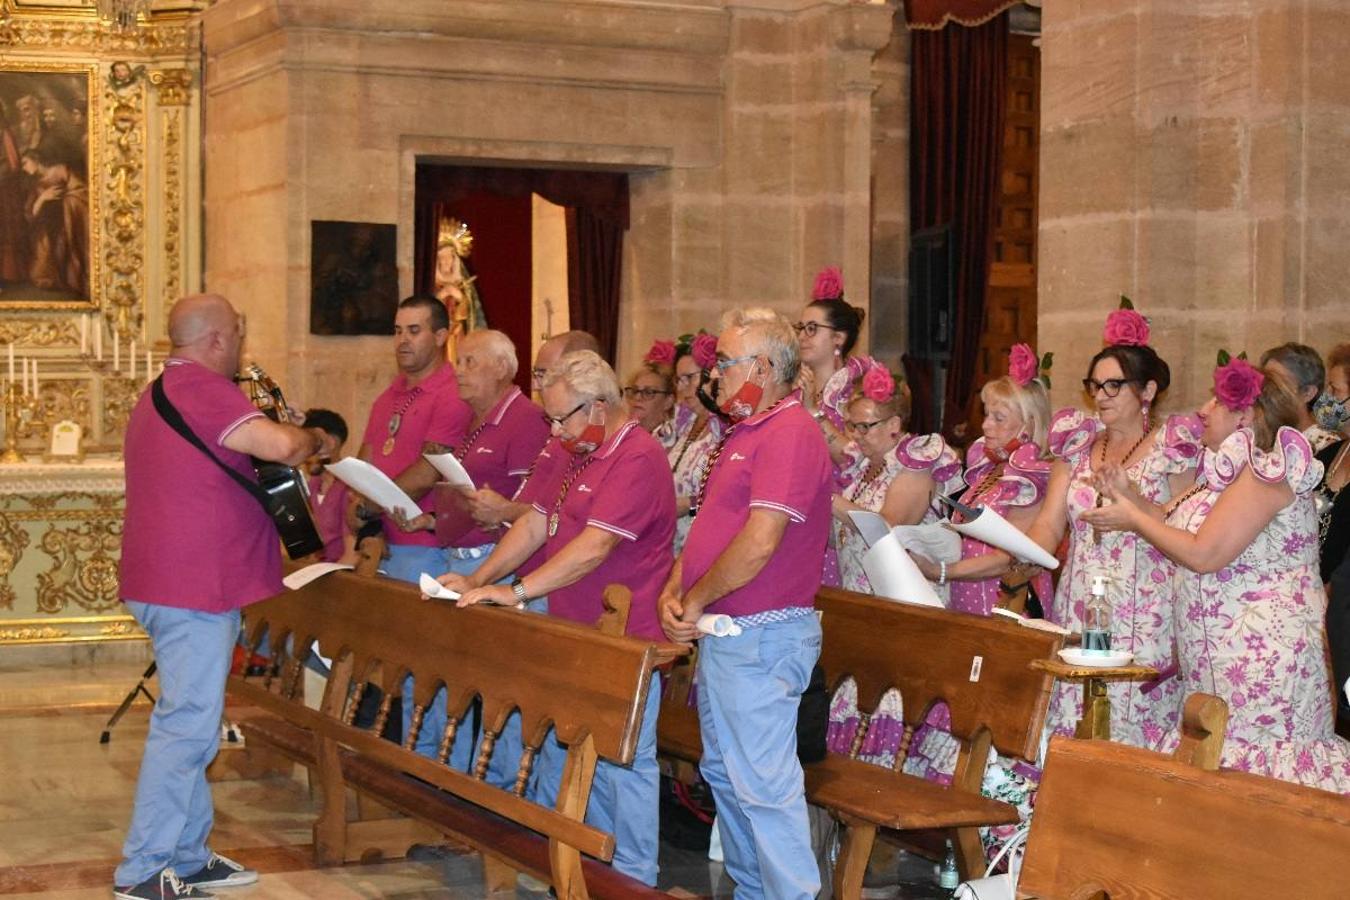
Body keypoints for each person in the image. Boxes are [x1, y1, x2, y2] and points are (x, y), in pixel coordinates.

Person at [114, 294, 336, 900]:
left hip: (176, 581)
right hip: (194, 586)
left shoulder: (162, 391)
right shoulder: (205, 390)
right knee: (186, 729)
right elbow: (283, 448)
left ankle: (186, 856)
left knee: (197, 726)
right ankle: (143, 870)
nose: (241, 346)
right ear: (215, 339)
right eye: (237, 333)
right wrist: (315, 434)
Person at [436, 350, 674, 886]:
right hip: (573, 627)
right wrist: (478, 581)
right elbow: (535, 524)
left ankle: (634, 881)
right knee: (572, 750)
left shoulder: (636, 456)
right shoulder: (571, 446)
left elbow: (593, 548)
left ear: (598, 407)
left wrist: (516, 591)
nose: (555, 429)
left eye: (562, 417)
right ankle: (577, 868)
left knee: (624, 761)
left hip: (625, 636)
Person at [1084, 359, 1350, 793]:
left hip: (1263, 661)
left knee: (1261, 777)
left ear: (1246, 416)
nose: (1203, 410)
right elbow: (1176, 527)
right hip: (1219, 660)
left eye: (1217, 403)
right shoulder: (1224, 474)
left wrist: (1132, 518)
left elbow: (1205, 554)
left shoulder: (1268, 472)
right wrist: (1127, 495)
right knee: (1219, 765)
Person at [661, 307, 832, 900]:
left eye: (725, 366)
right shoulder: (745, 431)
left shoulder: (789, 431)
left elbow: (759, 544)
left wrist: (697, 597)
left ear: (762, 366)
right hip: (728, 631)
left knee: (762, 785)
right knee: (727, 778)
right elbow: (711, 523)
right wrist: (677, 590)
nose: (715, 379)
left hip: (763, 634)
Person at [1023, 305, 1201, 749]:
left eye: (1113, 385)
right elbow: (1049, 526)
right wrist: (1013, 550)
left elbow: (1188, 526)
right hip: (1083, 602)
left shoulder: (1171, 447)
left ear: (1148, 389)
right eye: (1095, 385)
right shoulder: (1079, 446)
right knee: (1077, 719)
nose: (1100, 395)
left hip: (1148, 609)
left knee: (1132, 724)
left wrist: (1135, 509)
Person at [395, 329, 549, 779]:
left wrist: (500, 513)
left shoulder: (524, 421)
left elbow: (532, 507)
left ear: (502, 367)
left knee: (498, 688)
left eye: (468, 362)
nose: (457, 371)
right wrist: (431, 521)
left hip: (495, 566)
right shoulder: (473, 420)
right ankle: (445, 782)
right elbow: (473, 497)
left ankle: (498, 795)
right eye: (457, 362)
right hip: (458, 558)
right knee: (453, 678)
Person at [913, 346, 1054, 617]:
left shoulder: (1032, 476)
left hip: (1006, 602)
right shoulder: (989, 467)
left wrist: (941, 571)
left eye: (998, 418)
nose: (986, 425)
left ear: (1030, 425)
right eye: (987, 414)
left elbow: (1008, 558)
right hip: (971, 598)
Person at [350, 295, 471, 582]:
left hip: (425, 546)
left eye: (414, 331)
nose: (403, 340)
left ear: (441, 336)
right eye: (397, 331)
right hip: (380, 542)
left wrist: (367, 508)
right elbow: (363, 467)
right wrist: (359, 510)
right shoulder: (385, 399)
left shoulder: (453, 393)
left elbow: (428, 473)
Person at [832, 361, 962, 597]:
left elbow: (885, 527)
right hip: (859, 595)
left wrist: (830, 499)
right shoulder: (862, 465)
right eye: (851, 426)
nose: (855, 435)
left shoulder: (916, 464)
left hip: (905, 601)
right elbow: (842, 536)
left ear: (894, 424)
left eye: (864, 427)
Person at [669, 332, 723, 555]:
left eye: (689, 378)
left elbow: (726, 496)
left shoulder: (723, 428)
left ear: (710, 376)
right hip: (671, 542)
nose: (682, 388)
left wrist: (688, 504)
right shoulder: (683, 422)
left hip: (702, 544)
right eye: (678, 380)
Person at [1261, 342, 1341, 452]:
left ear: (1308, 393)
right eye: (1266, 381)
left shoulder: (1326, 446)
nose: (1265, 390)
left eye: (1278, 384)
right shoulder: (1264, 437)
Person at [301, 408, 356, 564]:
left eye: (308, 445)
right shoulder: (312, 485)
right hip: (315, 575)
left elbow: (353, 555)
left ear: (330, 442)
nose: (302, 453)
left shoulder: (350, 488)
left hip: (341, 579)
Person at [624, 361, 676, 442]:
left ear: (668, 402)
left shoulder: (673, 442)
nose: (637, 397)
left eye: (648, 392)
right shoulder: (620, 435)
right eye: (634, 390)